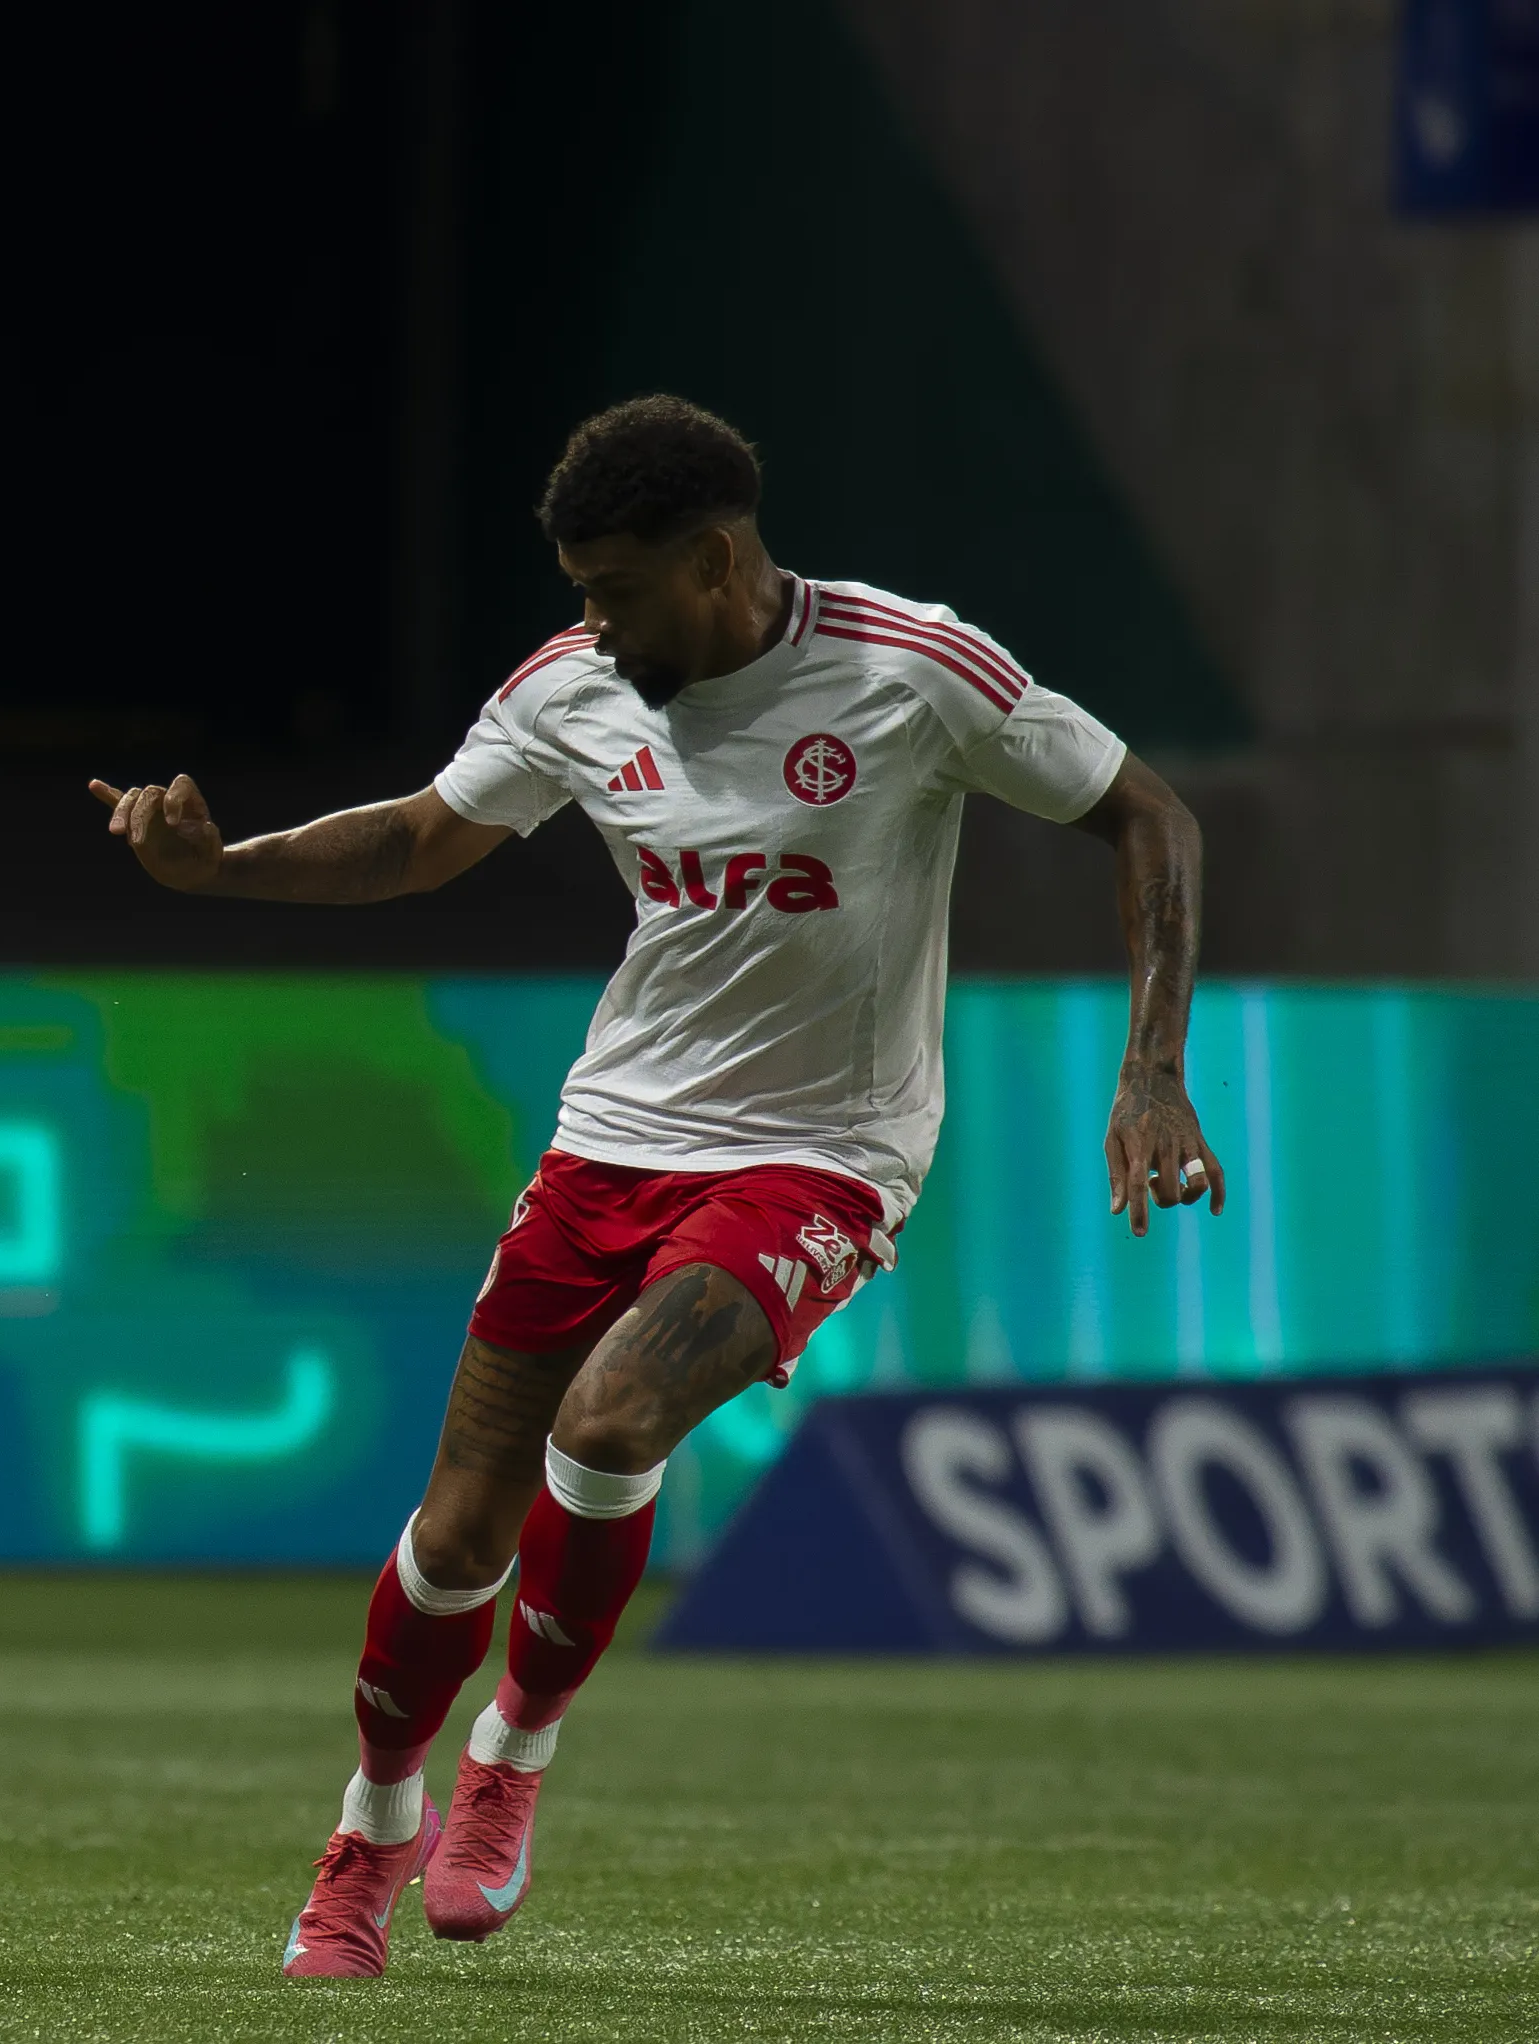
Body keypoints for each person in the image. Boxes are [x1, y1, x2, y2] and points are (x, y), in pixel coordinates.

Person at [88, 396, 1225, 1979]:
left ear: (715, 559)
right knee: (453, 1535)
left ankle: (513, 1763)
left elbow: (1143, 812)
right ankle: (370, 1828)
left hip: (820, 1154)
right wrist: (222, 869)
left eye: (614, 589)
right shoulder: (571, 687)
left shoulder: (911, 670)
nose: (590, 622)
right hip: (609, 1139)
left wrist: (1150, 1065)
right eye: (576, 590)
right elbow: (422, 837)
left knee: (610, 1423)